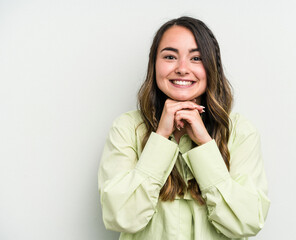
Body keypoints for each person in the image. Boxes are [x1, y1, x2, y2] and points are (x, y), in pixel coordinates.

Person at [98, 16, 270, 240]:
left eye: (196, 58)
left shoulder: (239, 131)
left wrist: (205, 144)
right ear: (154, 65)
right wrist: (160, 138)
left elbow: (246, 222)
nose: (181, 69)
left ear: (211, 67)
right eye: (170, 56)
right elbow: (122, 217)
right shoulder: (127, 128)